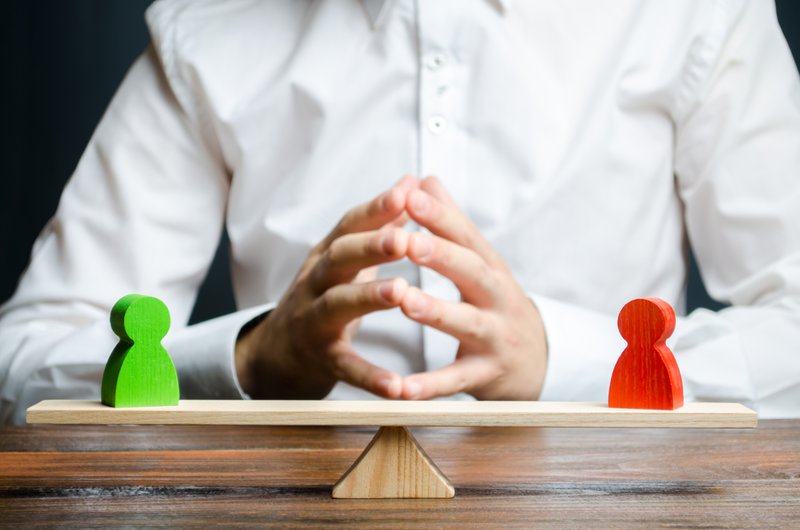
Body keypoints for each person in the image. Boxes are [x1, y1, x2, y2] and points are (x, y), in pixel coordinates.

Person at [1, 0, 799, 425]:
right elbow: (22, 364)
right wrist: (248, 361)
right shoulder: (205, 30)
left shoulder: (697, 13)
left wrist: (567, 362)